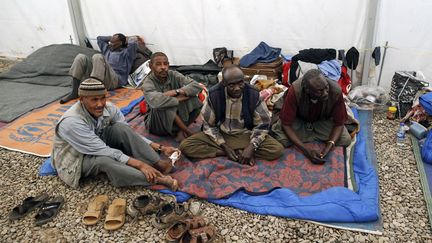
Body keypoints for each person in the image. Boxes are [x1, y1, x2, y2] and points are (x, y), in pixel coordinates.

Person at [52, 78, 178, 190]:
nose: (100, 104)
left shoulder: (109, 108)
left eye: (103, 98)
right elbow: (103, 151)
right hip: (76, 158)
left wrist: (160, 148)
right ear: (82, 100)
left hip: (98, 142)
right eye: (94, 100)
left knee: (120, 128)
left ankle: (158, 163)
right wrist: (141, 165)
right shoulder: (72, 122)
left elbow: (129, 132)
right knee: (103, 161)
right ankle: (157, 178)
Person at [179, 65, 284, 166]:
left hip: (246, 135)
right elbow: (209, 125)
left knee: (277, 150)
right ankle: (234, 152)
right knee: (185, 146)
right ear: (224, 83)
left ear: (244, 80)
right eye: (232, 85)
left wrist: (252, 147)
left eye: (240, 83)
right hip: (222, 134)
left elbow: (262, 125)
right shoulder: (214, 95)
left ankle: (241, 151)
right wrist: (224, 147)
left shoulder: (254, 94)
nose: (237, 88)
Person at [271, 69, 352, 164]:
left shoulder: (335, 90)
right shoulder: (295, 90)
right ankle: (312, 135)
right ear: (307, 90)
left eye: (326, 88)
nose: (325, 93)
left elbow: (339, 123)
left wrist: (329, 146)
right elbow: (286, 124)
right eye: (320, 91)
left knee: (345, 139)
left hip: (321, 121)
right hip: (299, 120)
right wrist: (307, 151)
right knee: (283, 140)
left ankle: (308, 135)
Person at [60, 33, 137, 104]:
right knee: (80, 57)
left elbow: (133, 42)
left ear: (120, 43)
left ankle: (95, 91)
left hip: (115, 80)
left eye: (114, 43)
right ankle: (74, 92)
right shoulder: (107, 49)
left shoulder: (127, 53)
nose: (111, 44)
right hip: (101, 77)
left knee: (98, 56)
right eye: (110, 42)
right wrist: (111, 38)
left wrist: (126, 38)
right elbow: (99, 38)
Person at [141, 52, 203, 140]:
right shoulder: (147, 82)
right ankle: (187, 132)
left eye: (165, 64)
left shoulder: (173, 74)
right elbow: (156, 102)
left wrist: (180, 91)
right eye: (158, 64)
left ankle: (179, 130)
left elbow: (196, 86)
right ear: (151, 66)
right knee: (163, 105)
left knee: (195, 99)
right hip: (157, 124)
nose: (163, 67)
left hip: (176, 117)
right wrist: (176, 95)